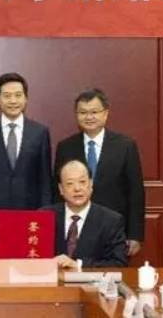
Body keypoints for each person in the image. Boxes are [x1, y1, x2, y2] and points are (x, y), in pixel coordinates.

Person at [54, 88, 145, 256]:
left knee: (110, 269)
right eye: (83, 112)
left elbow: (135, 192)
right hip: (76, 226)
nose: (89, 117)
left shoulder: (125, 146)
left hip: (113, 228)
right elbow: (58, 190)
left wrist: (135, 234)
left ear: (105, 113)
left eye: (94, 112)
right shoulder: (65, 147)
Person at [0, 72, 52, 209]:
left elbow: (45, 181)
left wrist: (45, 213)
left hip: (30, 212)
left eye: (18, 95)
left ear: (26, 98)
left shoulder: (40, 132)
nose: (13, 101)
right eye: (7, 96)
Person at [42, 159, 128, 268]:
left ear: (91, 184)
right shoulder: (43, 217)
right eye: (70, 183)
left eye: (82, 182)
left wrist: (79, 265)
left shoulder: (111, 221)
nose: (77, 188)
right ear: (61, 189)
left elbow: (119, 263)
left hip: (92, 279)